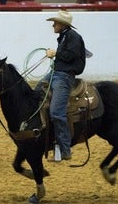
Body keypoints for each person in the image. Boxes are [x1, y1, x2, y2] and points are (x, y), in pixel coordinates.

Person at [35, 10, 86, 161]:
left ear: (63, 24)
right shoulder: (64, 37)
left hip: (64, 77)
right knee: (35, 92)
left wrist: (55, 53)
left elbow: (71, 56)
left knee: (56, 112)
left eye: (55, 22)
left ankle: (65, 149)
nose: (53, 25)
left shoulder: (73, 37)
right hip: (55, 74)